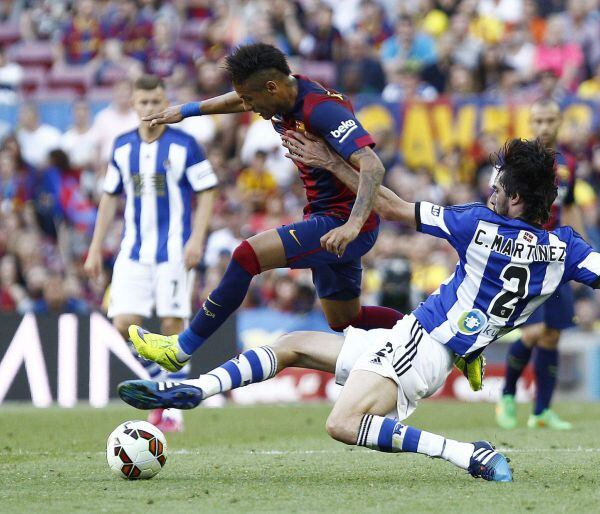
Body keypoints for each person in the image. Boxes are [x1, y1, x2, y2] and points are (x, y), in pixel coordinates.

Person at [118, 137, 600, 483]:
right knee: (291, 346)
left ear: (515, 198)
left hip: (423, 346)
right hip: (425, 342)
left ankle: (469, 455)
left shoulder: (478, 224)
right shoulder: (570, 249)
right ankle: (191, 389)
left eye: (499, 183)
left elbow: (390, 206)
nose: (491, 187)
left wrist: (331, 162)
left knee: (341, 424)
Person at [127, 43, 404, 376]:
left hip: (344, 221)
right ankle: (437, 337)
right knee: (346, 319)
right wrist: (186, 111)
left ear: (271, 87)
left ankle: (180, 349)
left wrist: (352, 225)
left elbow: (372, 166)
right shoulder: (280, 95)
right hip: (324, 215)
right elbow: (236, 99)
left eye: (249, 99)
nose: (247, 107)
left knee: (246, 256)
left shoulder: (322, 110)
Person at [84, 75, 218, 432]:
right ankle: (164, 390)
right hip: (133, 251)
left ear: (165, 102)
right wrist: (95, 247)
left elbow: (207, 190)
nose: (150, 108)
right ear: (133, 104)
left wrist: (196, 239)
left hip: (174, 250)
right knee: (123, 324)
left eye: (156, 101)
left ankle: (172, 410)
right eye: (143, 102)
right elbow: (109, 196)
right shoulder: (122, 146)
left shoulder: (185, 144)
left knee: (173, 325)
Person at [495, 99, 586, 431]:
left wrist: (582, 249)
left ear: (560, 122)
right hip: (522, 255)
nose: (545, 127)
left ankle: (541, 411)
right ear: (530, 123)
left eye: (550, 120)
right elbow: (496, 203)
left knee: (552, 335)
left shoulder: (569, 162)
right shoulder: (514, 160)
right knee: (533, 331)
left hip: (556, 254)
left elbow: (570, 207)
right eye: (539, 121)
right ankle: (507, 394)